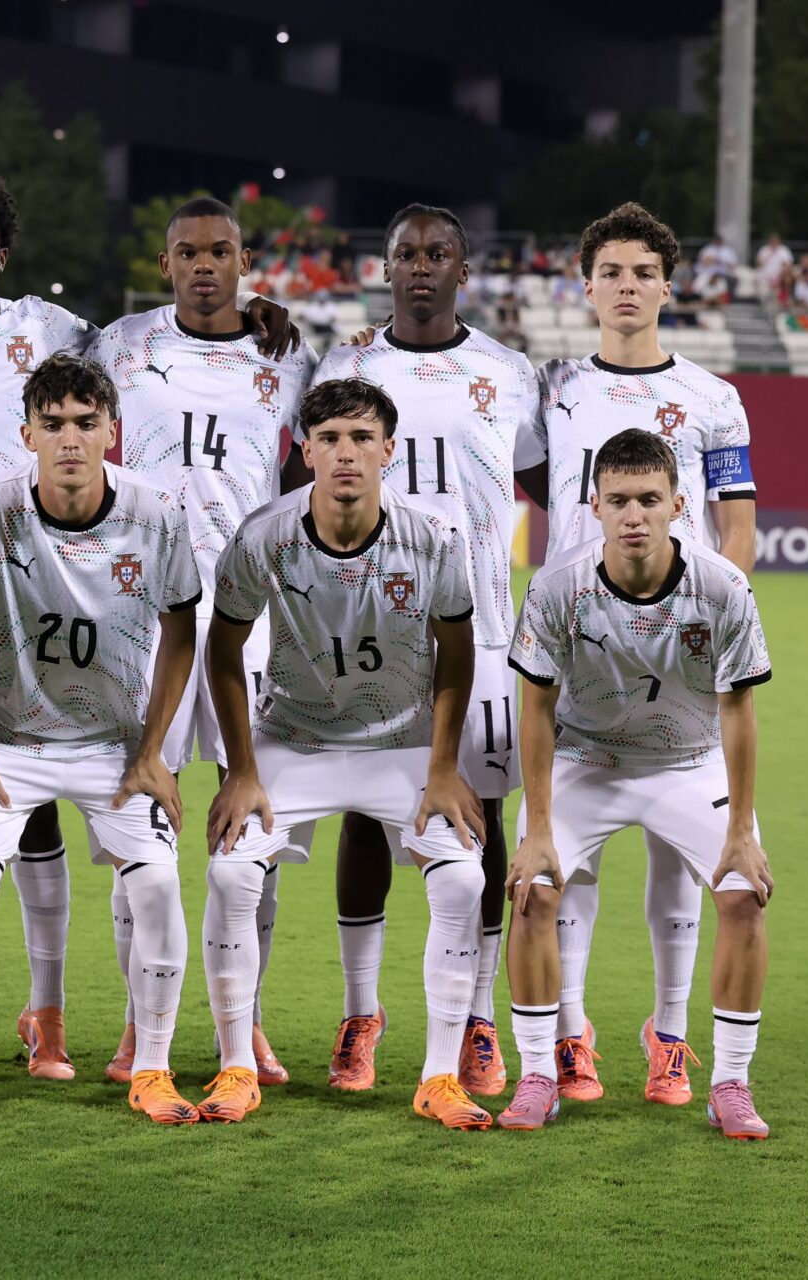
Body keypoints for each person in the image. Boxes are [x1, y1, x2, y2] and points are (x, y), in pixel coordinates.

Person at [0, 168, 297, 1083]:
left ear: (2, 252)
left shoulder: (62, 331)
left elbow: (143, 356)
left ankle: (173, 1019)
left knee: (206, 812)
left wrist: (263, 313)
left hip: (163, 593)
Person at [513, 201, 758, 1109]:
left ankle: (670, 1036)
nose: (626, 287)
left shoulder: (713, 398)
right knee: (565, 865)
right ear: (586, 288)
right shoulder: (552, 390)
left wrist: (708, 624)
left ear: (669, 285)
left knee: (679, 861)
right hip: (578, 642)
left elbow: (738, 528)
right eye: (610, 273)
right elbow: (531, 484)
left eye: (643, 273)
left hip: (681, 645)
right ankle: (568, 1037)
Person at [0, 354, 202, 1124]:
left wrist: (153, 751)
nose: (70, 439)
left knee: (159, 886)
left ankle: (154, 1068)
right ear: (27, 435)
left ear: (113, 432)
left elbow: (182, 630)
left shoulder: (157, 512)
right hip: (10, 741)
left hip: (115, 745)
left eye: (84, 423)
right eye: (53, 425)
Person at [205, 376, 489, 1129]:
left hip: (401, 742)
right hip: (294, 739)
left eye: (362, 438)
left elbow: (456, 654)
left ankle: (437, 1077)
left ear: (388, 451)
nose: (346, 454)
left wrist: (442, 766)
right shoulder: (264, 532)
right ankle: (235, 1066)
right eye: (329, 439)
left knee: (462, 882)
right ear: (306, 451)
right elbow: (223, 647)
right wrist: (241, 770)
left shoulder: (432, 539)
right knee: (231, 870)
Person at [310, 204, 539, 1100]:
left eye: (436, 253)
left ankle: (478, 1017)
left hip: (480, 628)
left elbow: (543, 473)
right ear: (386, 266)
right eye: (404, 252)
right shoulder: (349, 365)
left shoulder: (508, 373)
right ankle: (361, 1015)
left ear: (462, 271)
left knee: (480, 815)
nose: (419, 267)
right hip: (371, 627)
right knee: (367, 814)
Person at [89, 195, 318, 1088]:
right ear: (165, 262)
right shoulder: (117, 346)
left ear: (245, 261)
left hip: (249, 614)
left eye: (221, 252)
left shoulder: (286, 355)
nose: (204, 266)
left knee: (246, 817)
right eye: (188, 253)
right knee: (136, 817)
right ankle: (135, 1024)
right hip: (138, 612)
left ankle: (246, 1019)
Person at [499, 429, 775, 1139]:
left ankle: (732, 1085)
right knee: (532, 890)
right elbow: (534, 708)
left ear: (678, 504)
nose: (633, 515)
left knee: (745, 896)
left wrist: (742, 832)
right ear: (593, 505)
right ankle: (537, 1074)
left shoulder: (722, 587)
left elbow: (739, 712)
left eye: (649, 499)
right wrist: (534, 830)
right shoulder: (558, 586)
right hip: (585, 760)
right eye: (618, 499)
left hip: (688, 760)